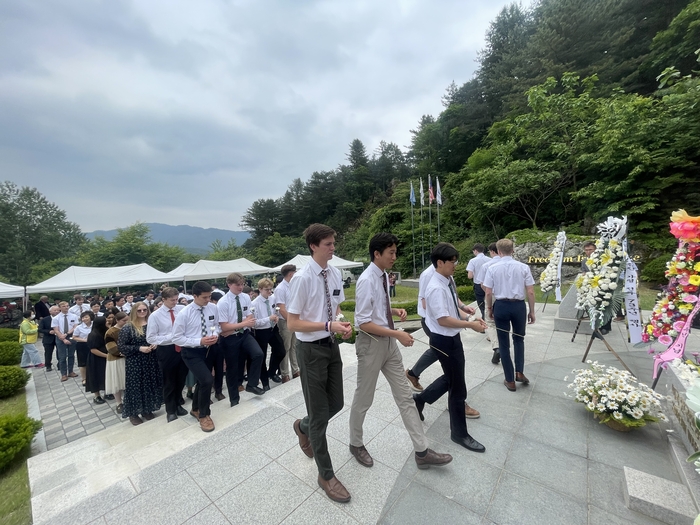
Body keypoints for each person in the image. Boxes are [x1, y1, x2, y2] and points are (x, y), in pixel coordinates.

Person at [348, 233, 453, 470]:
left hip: (388, 344)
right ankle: (356, 443)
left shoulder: (383, 276)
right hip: (371, 345)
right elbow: (362, 322)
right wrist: (397, 333)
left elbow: (378, 307)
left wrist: (394, 312)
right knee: (364, 398)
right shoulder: (366, 280)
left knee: (405, 397)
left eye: (395, 251)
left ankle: (422, 451)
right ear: (377, 254)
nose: (395, 257)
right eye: (391, 252)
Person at [287, 223, 353, 503]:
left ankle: (302, 426)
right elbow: (292, 323)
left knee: (335, 403)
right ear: (313, 246)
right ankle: (325, 474)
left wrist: (340, 322)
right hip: (310, 350)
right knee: (319, 415)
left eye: (333, 242)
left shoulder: (335, 273)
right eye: (327, 244)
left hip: (331, 345)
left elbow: (335, 304)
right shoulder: (302, 278)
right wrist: (327, 323)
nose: (333, 247)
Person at [412, 242, 487, 453]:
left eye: (456, 261)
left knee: (451, 378)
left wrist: (468, 316)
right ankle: (459, 434)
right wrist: (469, 325)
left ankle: (420, 399)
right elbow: (443, 319)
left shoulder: (446, 279)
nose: (456, 265)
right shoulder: (434, 287)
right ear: (440, 263)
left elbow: (453, 308)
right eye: (452, 262)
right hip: (443, 339)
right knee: (457, 387)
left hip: (451, 338)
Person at [482, 238, 536, 392]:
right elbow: (530, 291)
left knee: (504, 342)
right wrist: (531, 311)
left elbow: (488, 292)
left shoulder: (492, 268)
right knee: (519, 339)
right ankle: (519, 371)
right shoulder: (523, 267)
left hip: (501, 305)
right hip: (518, 305)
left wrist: (490, 308)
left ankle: (509, 379)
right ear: (513, 250)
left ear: (498, 251)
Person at [172, 281, 220, 432]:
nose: (207, 300)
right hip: (191, 351)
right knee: (207, 379)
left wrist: (215, 335)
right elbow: (176, 338)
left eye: (209, 296)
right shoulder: (185, 313)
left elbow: (217, 326)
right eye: (204, 297)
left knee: (202, 381)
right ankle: (204, 415)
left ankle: (196, 408)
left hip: (209, 349)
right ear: (194, 296)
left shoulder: (212, 308)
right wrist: (199, 340)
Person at [217, 272, 265, 406]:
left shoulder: (245, 297)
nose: (240, 287)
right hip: (230, 339)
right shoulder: (223, 302)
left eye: (242, 284)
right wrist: (242, 324)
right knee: (233, 369)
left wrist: (237, 327)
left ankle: (252, 383)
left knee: (258, 354)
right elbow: (224, 326)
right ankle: (234, 399)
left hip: (243, 334)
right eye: (237, 285)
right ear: (229, 285)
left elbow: (250, 316)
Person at [146, 287, 189, 423]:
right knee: (169, 381)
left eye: (176, 299)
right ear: (163, 299)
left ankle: (177, 404)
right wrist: (173, 337)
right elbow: (151, 338)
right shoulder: (155, 316)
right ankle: (170, 410)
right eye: (172, 300)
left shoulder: (181, 309)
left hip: (182, 348)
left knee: (181, 379)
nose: (175, 302)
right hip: (167, 350)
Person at [118, 301, 163, 425]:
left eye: (145, 310)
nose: (142, 312)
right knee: (135, 387)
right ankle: (133, 413)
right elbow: (121, 347)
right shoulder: (128, 327)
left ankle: (147, 409)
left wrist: (155, 343)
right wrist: (139, 348)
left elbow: (159, 336)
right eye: (139, 310)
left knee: (149, 384)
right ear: (134, 311)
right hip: (135, 361)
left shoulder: (151, 324)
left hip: (151, 359)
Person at [251, 278, 286, 390]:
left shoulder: (272, 299)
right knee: (262, 355)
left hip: (272, 328)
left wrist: (275, 317)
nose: (269, 292)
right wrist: (268, 319)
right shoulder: (255, 303)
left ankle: (271, 371)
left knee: (281, 351)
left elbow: (275, 310)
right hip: (261, 331)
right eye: (267, 290)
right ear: (260, 289)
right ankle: (265, 382)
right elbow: (254, 323)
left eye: (271, 289)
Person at [476, 243, 502, 364]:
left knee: (490, 322)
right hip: (506, 297)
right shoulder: (510, 264)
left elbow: (482, 284)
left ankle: (496, 347)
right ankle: (503, 344)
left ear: (492, 251)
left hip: (491, 294)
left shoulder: (487, 265)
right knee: (503, 323)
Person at [275, 264, 298, 383]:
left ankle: (295, 369)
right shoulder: (280, 288)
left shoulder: (293, 285)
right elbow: (282, 308)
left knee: (294, 346)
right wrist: (291, 321)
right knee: (286, 347)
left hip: (294, 319)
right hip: (286, 321)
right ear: (290, 274)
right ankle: (284, 373)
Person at [105, 312, 128, 413]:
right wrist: (123, 352)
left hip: (127, 358)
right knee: (116, 381)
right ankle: (119, 403)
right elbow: (111, 348)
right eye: (124, 321)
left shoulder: (129, 328)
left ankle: (129, 400)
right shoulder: (110, 332)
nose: (126, 322)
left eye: (128, 320)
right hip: (116, 359)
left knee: (126, 380)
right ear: (117, 320)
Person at [52, 301, 80, 382]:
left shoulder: (73, 316)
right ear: (60, 308)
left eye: (67, 306)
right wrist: (63, 338)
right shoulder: (56, 318)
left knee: (71, 355)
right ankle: (63, 374)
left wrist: (67, 333)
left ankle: (70, 371)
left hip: (70, 335)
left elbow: (75, 326)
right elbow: (56, 330)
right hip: (60, 337)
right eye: (64, 306)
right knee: (62, 356)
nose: (66, 307)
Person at [85, 316, 109, 404]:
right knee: (95, 376)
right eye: (105, 322)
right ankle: (97, 396)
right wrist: (106, 356)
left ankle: (108, 392)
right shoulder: (93, 335)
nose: (107, 323)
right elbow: (93, 350)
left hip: (104, 357)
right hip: (96, 359)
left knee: (105, 374)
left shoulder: (105, 331)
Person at [466, 243, 491, 318]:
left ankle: (483, 316)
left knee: (481, 303)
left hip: (478, 284)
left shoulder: (473, 261)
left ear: (475, 251)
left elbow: (470, 276)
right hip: (489, 284)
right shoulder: (490, 259)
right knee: (490, 302)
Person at [72, 311, 94, 386]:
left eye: (86, 317)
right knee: (83, 363)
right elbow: (74, 337)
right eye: (83, 317)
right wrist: (85, 340)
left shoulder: (94, 325)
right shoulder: (79, 327)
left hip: (94, 345)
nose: (84, 319)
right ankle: (84, 379)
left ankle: (93, 377)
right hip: (82, 346)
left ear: (91, 317)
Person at [38, 305, 59, 371]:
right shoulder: (45, 319)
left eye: (58, 310)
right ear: (50, 312)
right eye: (55, 310)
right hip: (48, 338)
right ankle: (48, 365)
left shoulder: (61, 318)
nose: (57, 312)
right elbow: (40, 329)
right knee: (48, 353)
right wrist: (49, 331)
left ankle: (60, 364)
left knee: (60, 352)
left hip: (59, 337)